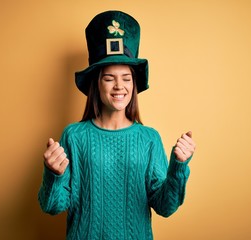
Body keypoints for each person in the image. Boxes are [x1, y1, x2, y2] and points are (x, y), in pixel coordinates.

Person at [38, 10, 196, 240]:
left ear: (134, 84)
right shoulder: (74, 136)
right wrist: (54, 174)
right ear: (96, 84)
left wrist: (178, 167)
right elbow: (52, 206)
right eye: (109, 78)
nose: (119, 86)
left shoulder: (149, 138)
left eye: (127, 78)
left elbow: (165, 207)